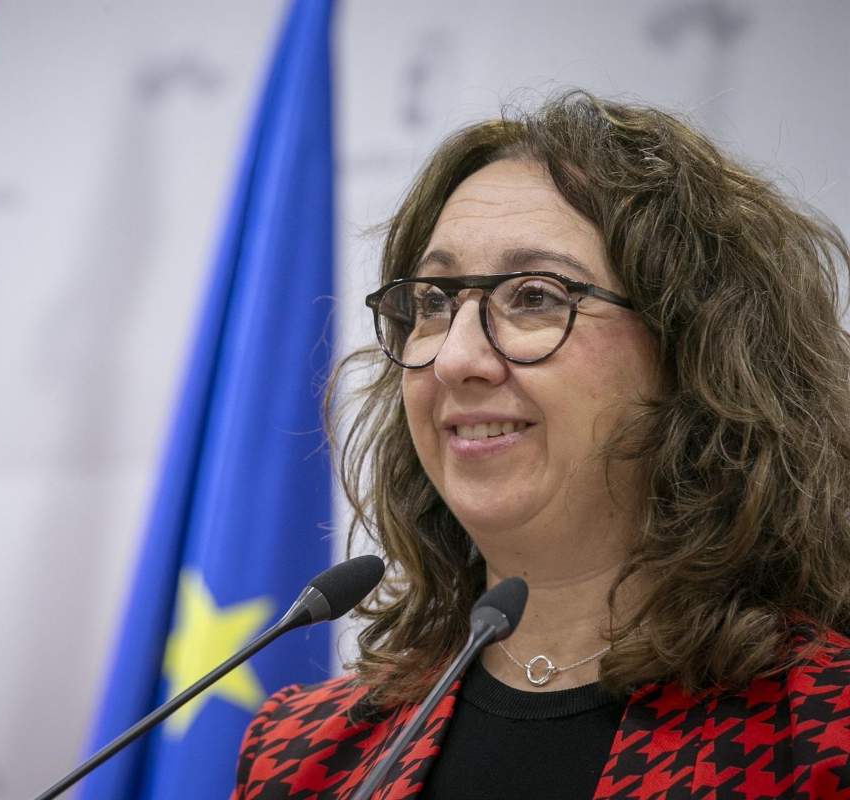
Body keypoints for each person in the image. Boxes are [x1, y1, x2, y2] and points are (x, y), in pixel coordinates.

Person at [231, 91, 850, 799]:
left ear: (694, 353)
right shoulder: (303, 758)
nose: (455, 358)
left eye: (533, 296)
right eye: (432, 302)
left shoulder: (822, 734)